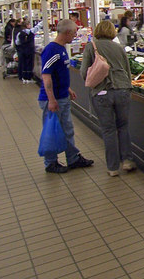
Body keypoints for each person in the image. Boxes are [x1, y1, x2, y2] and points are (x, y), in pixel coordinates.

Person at [80, 21, 136, 177]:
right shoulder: (119, 47)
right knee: (123, 126)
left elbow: (84, 71)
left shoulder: (92, 47)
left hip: (102, 92)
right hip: (123, 90)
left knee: (108, 130)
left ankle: (112, 168)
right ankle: (127, 160)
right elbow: (127, 70)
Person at [38, 19, 94, 173]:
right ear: (67, 33)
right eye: (75, 33)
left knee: (67, 129)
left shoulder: (61, 49)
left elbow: (58, 74)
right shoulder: (52, 50)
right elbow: (46, 76)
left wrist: (67, 89)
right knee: (52, 130)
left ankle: (73, 158)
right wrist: (51, 100)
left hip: (62, 96)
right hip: (53, 99)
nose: (75, 36)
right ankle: (50, 163)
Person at [16, 18, 42, 83]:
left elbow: (17, 42)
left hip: (22, 51)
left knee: (24, 63)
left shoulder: (19, 33)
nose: (30, 25)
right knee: (30, 64)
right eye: (29, 24)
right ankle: (29, 78)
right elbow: (38, 27)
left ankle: (24, 78)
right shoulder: (31, 31)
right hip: (30, 50)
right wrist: (43, 20)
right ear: (27, 25)